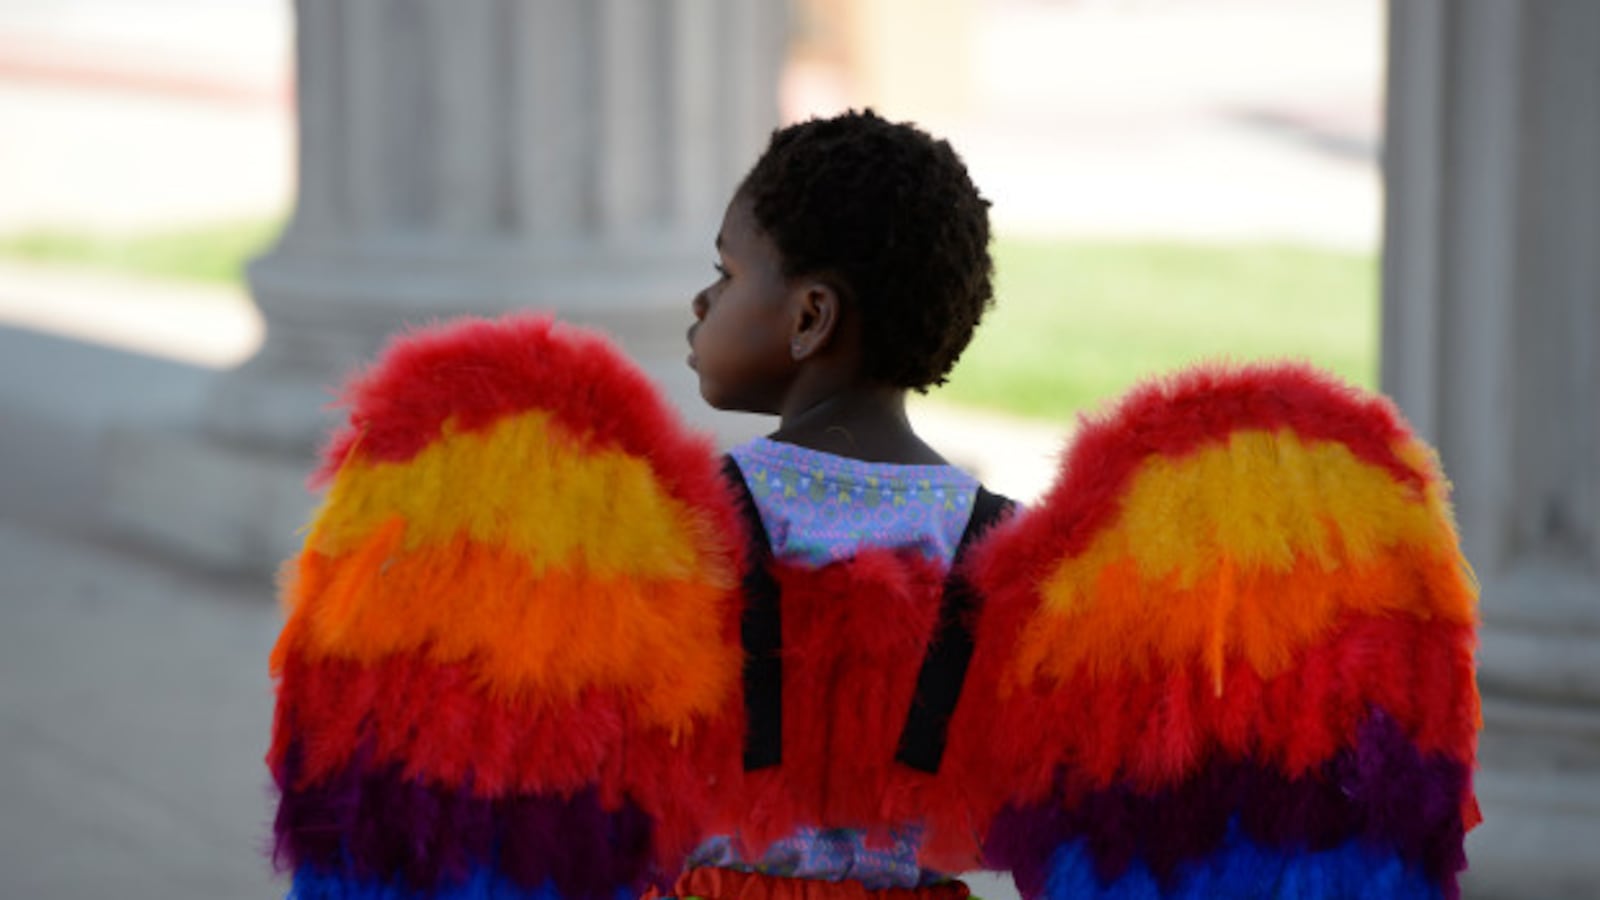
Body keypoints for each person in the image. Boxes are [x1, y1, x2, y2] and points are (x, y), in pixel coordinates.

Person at [677, 109, 1009, 892]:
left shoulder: (682, 522)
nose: (701, 301)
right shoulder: (1005, 549)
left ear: (810, 318)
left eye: (725, 274)